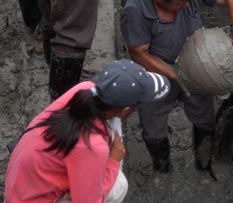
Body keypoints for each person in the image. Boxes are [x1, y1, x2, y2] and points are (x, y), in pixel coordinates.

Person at [120, 0, 233, 174]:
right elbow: (139, 53)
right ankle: (162, 168)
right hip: (157, 74)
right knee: (153, 129)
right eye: (181, 3)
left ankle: (203, 163)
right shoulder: (135, 9)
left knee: (205, 120)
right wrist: (178, 74)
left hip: (198, 65)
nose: (188, 4)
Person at [4, 59, 170, 203]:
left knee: (112, 131)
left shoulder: (85, 89)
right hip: (30, 198)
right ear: (126, 109)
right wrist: (112, 161)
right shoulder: (92, 146)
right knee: (119, 184)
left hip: (23, 182)